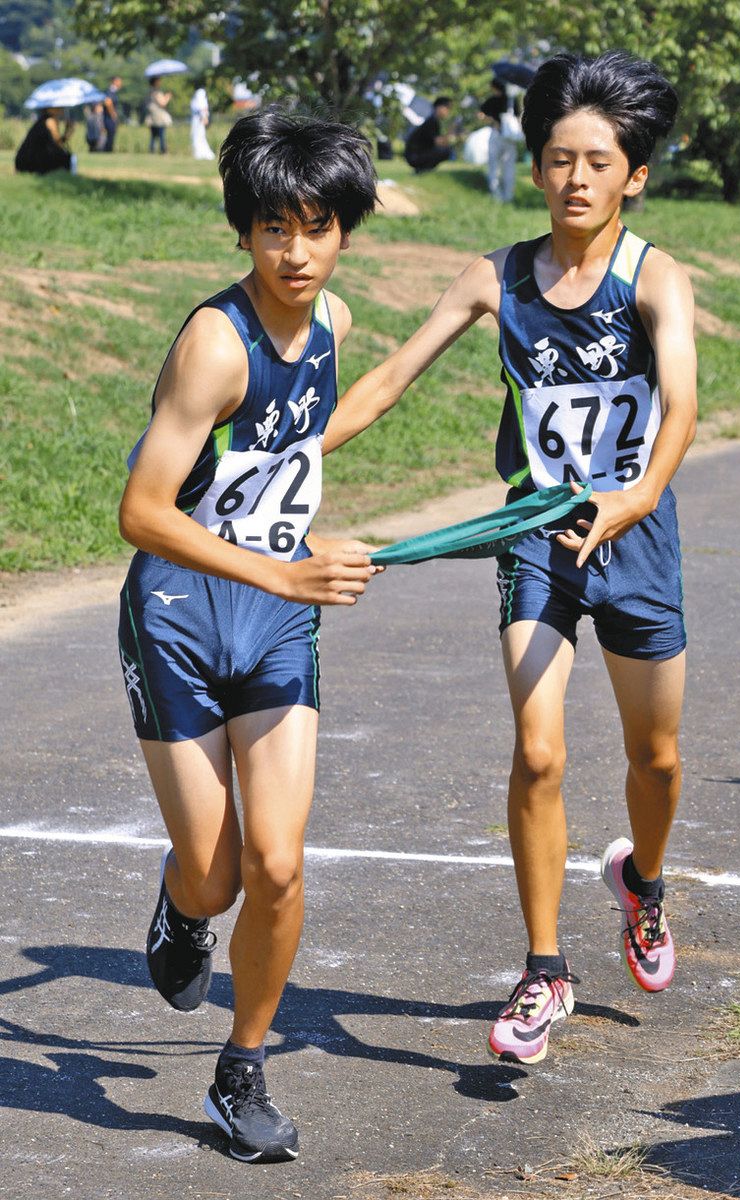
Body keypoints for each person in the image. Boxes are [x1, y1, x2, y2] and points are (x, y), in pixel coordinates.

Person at [324, 50, 695, 1064]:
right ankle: (542, 971)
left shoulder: (651, 276)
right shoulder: (493, 277)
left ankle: (642, 888)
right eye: (557, 158)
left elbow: (683, 401)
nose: (576, 177)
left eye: (597, 161)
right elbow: (390, 378)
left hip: (635, 537)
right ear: (534, 169)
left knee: (652, 761)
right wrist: (294, 451)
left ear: (633, 175)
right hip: (534, 535)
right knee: (536, 750)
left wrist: (638, 496)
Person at [117, 108, 380, 1161]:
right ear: (244, 232)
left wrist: (299, 558)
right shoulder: (212, 344)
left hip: (274, 623)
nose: (296, 250)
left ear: (343, 231)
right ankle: (183, 917)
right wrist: (285, 565)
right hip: (178, 619)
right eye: (275, 227)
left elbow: (299, 440)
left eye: (317, 226)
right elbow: (142, 512)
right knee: (217, 877)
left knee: (276, 863)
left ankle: (242, 1067)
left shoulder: (334, 325)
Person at [478, 78, 519, 203]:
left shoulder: (492, 100)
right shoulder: (512, 100)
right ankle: (508, 196)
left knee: (493, 165)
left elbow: (480, 115)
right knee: (509, 167)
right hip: (511, 138)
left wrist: (491, 120)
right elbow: (518, 117)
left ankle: (496, 195)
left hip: (496, 134)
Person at [15, 107, 75, 175]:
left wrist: (67, 132)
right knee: (66, 157)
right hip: (30, 161)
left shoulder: (43, 120)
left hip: (25, 159)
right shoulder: (50, 121)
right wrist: (68, 131)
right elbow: (58, 143)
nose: (61, 108)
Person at [404, 96, 454, 172]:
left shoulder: (433, 120)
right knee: (445, 151)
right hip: (415, 156)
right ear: (439, 107)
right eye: (447, 108)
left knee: (445, 150)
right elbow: (439, 143)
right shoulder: (432, 121)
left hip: (416, 154)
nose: (448, 111)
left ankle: (424, 170)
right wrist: (449, 134)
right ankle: (423, 169)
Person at [145, 76, 172, 154]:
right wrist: (168, 96)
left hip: (152, 117)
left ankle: (152, 150)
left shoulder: (150, 91)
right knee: (161, 134)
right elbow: (163, 103)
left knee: (153, 135)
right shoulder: (156, 92)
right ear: (155, 82)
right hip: (158, 117)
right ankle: (163, 150)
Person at [190, 82, 216, 160]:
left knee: (198, 136)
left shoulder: (200, 92)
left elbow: (202, 106)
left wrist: (204, 117)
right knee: (198, 136)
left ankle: (200, 154)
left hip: (199, 118)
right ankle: (200, 153)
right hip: (198, 117)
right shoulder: (200, 92)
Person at [102, 76, 122, 152]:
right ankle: (108, 151)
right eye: (119, 82)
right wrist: (113, 114)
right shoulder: (111, 91)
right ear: (115, 81)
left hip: (109, 117)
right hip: (109, 117)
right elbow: (108, 102)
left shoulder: (112, 91)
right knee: (110, 136)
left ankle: (108, 150)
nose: (121, 84)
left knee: (111, 135)